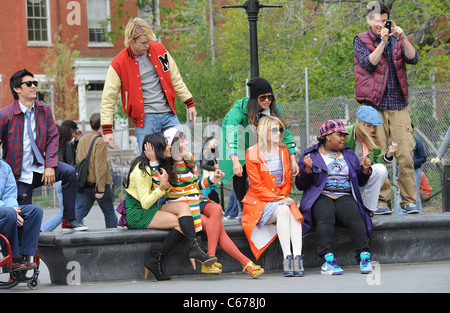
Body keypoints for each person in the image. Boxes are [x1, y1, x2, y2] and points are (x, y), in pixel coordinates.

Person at [156, 128, 264, 278]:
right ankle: (245, 263)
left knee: (217, 208)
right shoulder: (166, 165)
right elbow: (167, 191)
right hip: (185, 208)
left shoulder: (190, 160)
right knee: (218, 229)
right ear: (173, 145)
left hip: (197, 200)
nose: (187, 143)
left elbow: (196, 186)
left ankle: (210, 257)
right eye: (182, 141)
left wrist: (213, 178)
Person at [122, 133, 216, 281]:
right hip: (137, 213)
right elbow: (145, 202)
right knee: (182, 223)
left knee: (183, 208)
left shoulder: (156, 165)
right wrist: (162, 187)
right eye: (166, 144)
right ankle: (160, 258)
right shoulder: (141, 170)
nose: (170, 146)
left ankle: (192, 248)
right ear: (158, 148)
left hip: (147, 209)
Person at [354, 1, 419, 213]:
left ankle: (409, 201)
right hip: (375, 107)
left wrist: (403, 38)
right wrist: (382, 42)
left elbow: (413, 58)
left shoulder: (397, 40)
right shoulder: (361, 40)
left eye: (384, 21)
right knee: (378, 155)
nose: (380, 25)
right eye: (376, 21)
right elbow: (369, 64)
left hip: (399, 104)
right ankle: (382, 202)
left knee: (406, 154)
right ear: (369, 21)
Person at [0, 69, 84, 231]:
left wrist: (50, 165)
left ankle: (68, 220)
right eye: (29, 83)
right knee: (22, 220)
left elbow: (53, 137)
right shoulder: (5, 115)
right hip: (19, 174)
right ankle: (19, 255)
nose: (34, 87)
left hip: (40, 167)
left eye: (35, 83)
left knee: (69, 172)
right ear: (17, 89)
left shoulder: (44, 110)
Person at [100, 17, 197, 152]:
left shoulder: (159, 50)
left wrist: (189, 102)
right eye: (143, 42)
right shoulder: (118, 63)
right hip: (145, 120)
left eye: (149, 41)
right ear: (132, 41)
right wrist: (107, 129)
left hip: (168, 114)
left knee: (182, 154)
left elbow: (175, 77)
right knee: (149, 163)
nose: (147, 45)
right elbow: (108, 98)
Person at [295, 120, 373, 275]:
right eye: (339, 135)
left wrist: (365, 169)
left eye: (344, 135)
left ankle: (364, 257)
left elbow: (360, 181)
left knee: (354, 215)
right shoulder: (311, 154)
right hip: (321, 195)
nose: (343, 138)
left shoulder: (348, 154)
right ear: (327, 136)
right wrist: (307, 169)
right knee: (325, 215)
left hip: (344, 195)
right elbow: (300, 185)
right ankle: (328, 260)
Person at [220, 77, 298, 209]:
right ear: (255, 98)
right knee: (240, 171)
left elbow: (285, 133)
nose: (267, 100)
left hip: (258, 139)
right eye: (263, 97)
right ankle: (243, 206)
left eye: (270, 97)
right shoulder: (240, 108)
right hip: (237, 139)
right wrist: (235, 161)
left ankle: (266, 202)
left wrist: (293, 159)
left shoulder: (273, 108)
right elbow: (231, 131)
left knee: (264, 168)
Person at [242, 116, 304, 277]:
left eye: (281, 129)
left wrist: (282, 197)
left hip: (279, 200)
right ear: (264, 132)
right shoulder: (252, 153)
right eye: (275, 130)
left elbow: (288, 180)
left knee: (293, 212)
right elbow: (257, 186)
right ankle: (287, 258)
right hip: (259, 203)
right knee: (285, 209)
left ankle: (297, 257)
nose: (280, 133)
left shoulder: (283, 152)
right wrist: (279, 199)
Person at [344, 106, 398, 215]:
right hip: (345, 178)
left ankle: (367, 208)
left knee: (381, 169)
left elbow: (376, 162)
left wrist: (389, 154)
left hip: (362, 177)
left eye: (374, 127)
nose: (372, 130)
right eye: (368, 126)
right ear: (360, 123)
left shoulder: (374, 138)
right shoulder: (345, 133)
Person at [74, 113, 117, 228]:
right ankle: (113, 240)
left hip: (85, 182)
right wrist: (101, 188)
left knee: (78, 214)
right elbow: (100, 166)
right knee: (109, 213)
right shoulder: (100, 141)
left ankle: (69, 236)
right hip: (99, 183)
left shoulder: (83, 139)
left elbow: (78, 159)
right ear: (102, 125)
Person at [0, 158, 42, 271]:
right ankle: (12, 258)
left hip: (5, 210)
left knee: (35, 211)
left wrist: (14, 209)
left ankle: (24, 256)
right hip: (3, 210)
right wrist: (10, 210)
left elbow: (9, 193)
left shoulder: (4, 167)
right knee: (9, 213)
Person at [41, 120, 82, 231]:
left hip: (59, 179)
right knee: (65, 212)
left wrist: (76, 142)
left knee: (69, 209)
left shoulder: (55, 144)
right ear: (70, 131)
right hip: (66, 179)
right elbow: (71, 162)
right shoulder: (66, 145)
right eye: (74, 133)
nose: (74, 135)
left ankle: (78, 224)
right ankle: (42, 230)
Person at [395, 123, 426, 214]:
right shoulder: (400, 142)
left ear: (412, 129)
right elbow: (399, 161)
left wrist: (410, 164)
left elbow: (423, 157)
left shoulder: (417, 141)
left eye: (408, 128)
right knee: (401, 193)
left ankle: (418, 215)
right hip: (402, 171)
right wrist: (398, 175)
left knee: (414, 194)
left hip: (415, 171)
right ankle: (399, 216)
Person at [201, 136, 220, 204]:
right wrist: (215, 168)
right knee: (215, 200)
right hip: (209, 178)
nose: (216, 144)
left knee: (214, 199)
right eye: (215, 142)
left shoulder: (208, 151)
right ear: (209, 142)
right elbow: (204, 165)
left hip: (209, 177)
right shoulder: (207, 151)